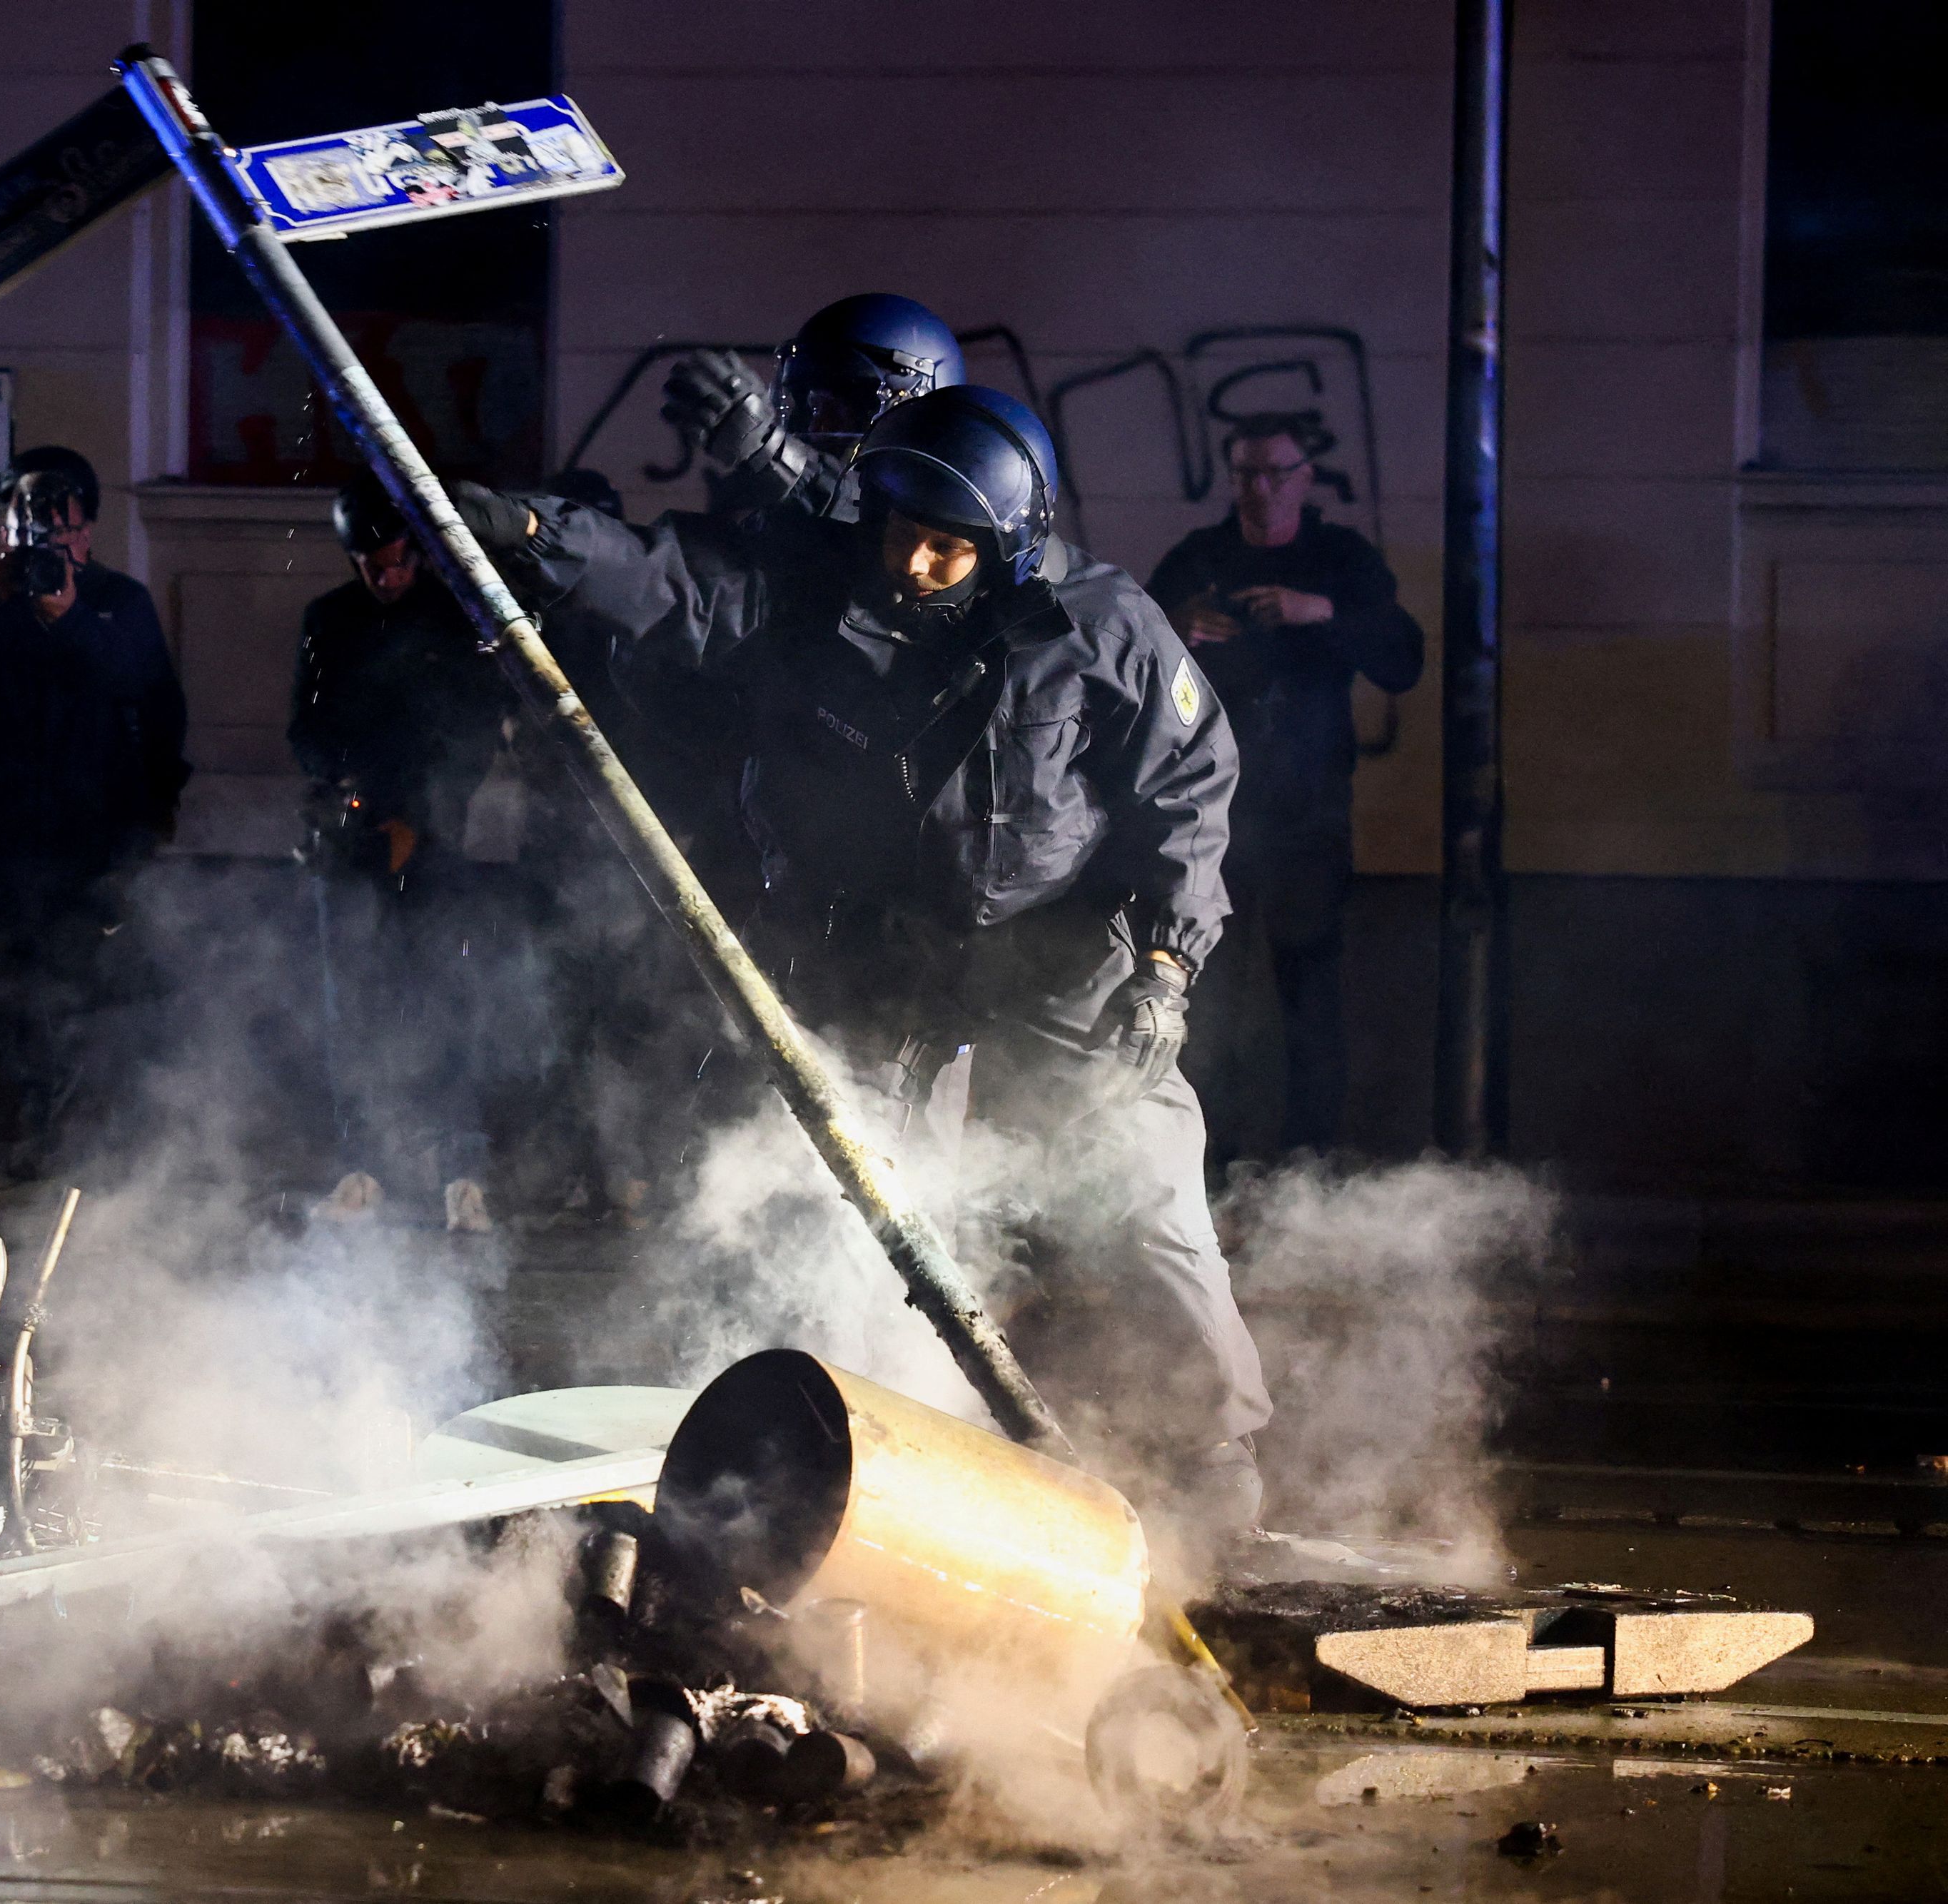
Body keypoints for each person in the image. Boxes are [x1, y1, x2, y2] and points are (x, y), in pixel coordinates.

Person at [454, 386, 1272, 1564]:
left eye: (953, 546)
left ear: (1010, 544)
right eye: (905, 535)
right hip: (882, 951)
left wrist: (1166, 961)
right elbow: (675, 585)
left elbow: (1192, 780)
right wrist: (540, 538)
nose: (921, 564)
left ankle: (1214, 1454)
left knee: (1140, 1190)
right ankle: (815, 1435)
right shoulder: (813, 597)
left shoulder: (1101, 626)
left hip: (1063, 956)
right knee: (816, 1175)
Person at [0, 445, 188, 1251]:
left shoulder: (117, 603)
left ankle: (68, 1175)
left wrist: (149, 822)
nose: (47, 543)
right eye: (30, 524)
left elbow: (149, 702)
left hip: (81, 844)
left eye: (61, 528)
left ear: (88, 534)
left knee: (72, 1010)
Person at [1150, 417, 1424, 1159]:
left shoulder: (1338, 560)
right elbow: (1125, 659)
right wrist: (1177, 627)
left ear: (1306, 477)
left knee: (1309, 992)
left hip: (1306, 813)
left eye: (1274, 473)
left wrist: (1320, 611)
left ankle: (1309, 1158)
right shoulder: (1199, 558)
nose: (1258, 490)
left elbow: (1403, 658)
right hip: (1207, 817)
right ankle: (1207, 1160)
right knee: (1203, 999)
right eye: (1244, 474)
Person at [289, 480, 514, 1230]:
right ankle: (363, 1168)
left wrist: (416, 816)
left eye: (394, 563)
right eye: (369, 565)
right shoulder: (328, 620)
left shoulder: (452, 620)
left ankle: (462, 1174)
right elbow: (305, 729)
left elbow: (475, 734)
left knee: (446, 1004)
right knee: (353, 1010)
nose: (384, 578)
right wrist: (348, 791)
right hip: (351, 844)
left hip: (436, 842)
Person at [658, 293, 967, 521]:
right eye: (815, 410)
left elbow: (870, 533)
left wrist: (772, 454)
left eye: (841, 413)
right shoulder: (781, 510)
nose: (817, 430)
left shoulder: (960, 509)